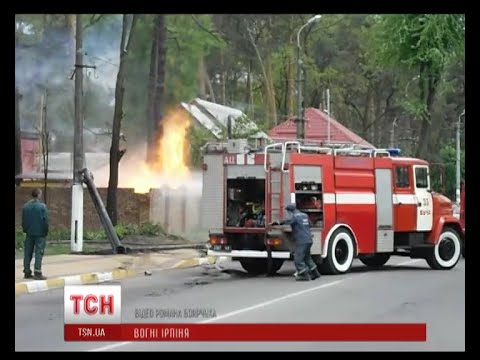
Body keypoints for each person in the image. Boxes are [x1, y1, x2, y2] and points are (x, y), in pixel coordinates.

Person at [270, 204, 321, 281]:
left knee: (298, 258)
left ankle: (303, 275)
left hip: (301, 241)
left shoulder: (295, 216)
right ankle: (315, 273)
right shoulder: (305, 215)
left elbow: (287, 221)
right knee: (307, 257)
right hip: (309, 240)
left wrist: (276, 222)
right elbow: (309, 225)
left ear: (290, 211)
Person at [21, 188, 49, 280]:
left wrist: (25, 230)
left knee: (27, 252)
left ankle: (27, 271)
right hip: (40, 233)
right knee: (38, 252)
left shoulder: (25, 207)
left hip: (29, 232)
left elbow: (24, 221)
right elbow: (45, 221)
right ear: (39, 195)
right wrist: (45, 231)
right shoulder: (42, 207)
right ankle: (37, 272)